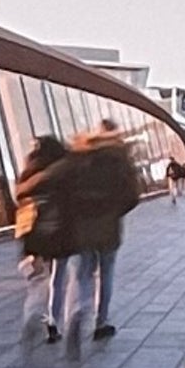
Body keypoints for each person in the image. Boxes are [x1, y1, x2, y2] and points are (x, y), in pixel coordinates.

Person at [54, 121, 142, 347]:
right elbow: (133, 195)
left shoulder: (81, 153)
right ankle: (101, 322)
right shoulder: (119, 157)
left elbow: (65, 190)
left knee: (83, 273)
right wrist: (114, 212)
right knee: (107, 274)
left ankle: (78, 310)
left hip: (84, 227)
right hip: (109, 227)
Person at [13, 132, 76, 345]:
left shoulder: (29, 171)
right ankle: (52, 322)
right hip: (58, 233)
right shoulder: (63, 171)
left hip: (31, 233)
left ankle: (32, 313)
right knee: (57, 280)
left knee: (37, 280)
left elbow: (20, 198)